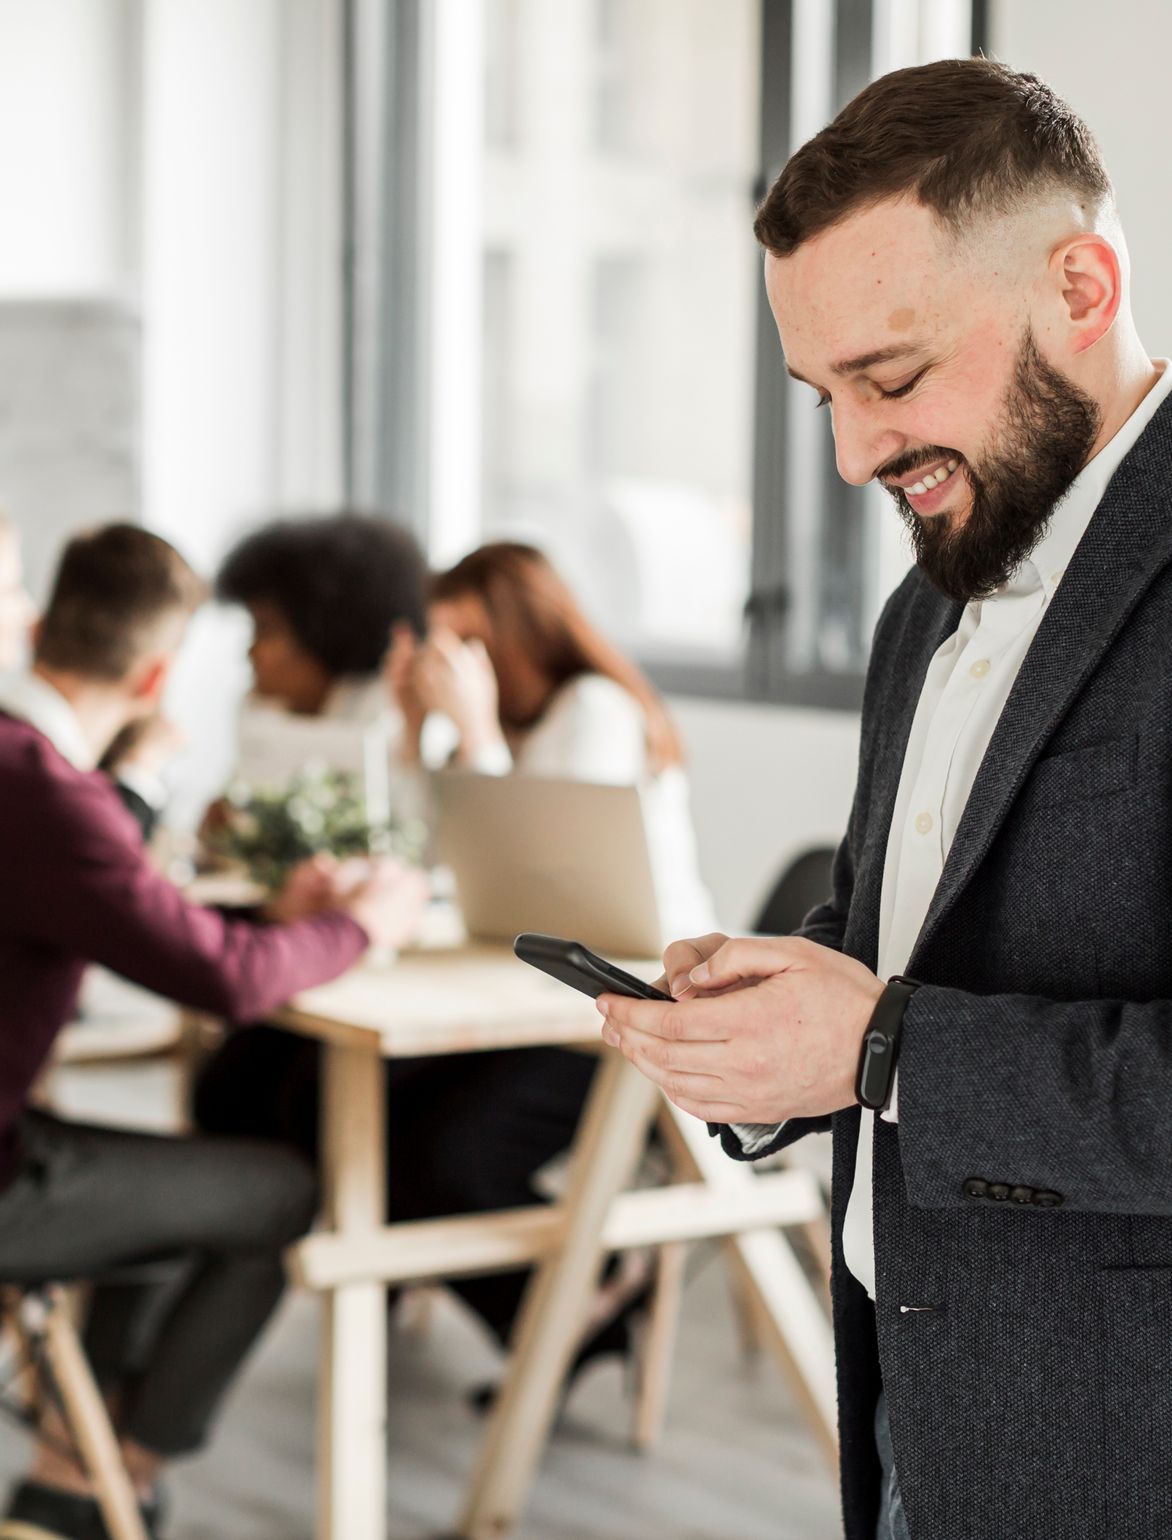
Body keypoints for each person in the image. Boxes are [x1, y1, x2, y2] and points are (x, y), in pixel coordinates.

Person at [595, 57, 1172, 1540]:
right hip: (920, 1410)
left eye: (894, 378)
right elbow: (902, 946)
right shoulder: (927, 607)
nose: (852, 452)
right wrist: (774, 1023)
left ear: (1084, 288)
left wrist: (882, 1048)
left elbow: (904, 1033)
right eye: (821, 394)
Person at [0, 523, 425, 1540]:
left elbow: (127, 918)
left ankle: (78, 1456)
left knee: (172, 1180)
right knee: (281, 1190)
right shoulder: (44, 791)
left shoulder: (34, 779)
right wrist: (360, 924)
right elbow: (227, 981)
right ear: (156, 675)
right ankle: (112, 1471)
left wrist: (281, 923)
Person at [199, 541, 715, 1374]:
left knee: (439, 1156)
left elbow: (543, 872)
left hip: (616, 1009)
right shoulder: (501, 729)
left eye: (465, 642)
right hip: (519, 998)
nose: (451, 665)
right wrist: (413, 734)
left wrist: (471, 733)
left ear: (517, 633)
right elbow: (434, 861)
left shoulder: (593, 712)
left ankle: (577, 1308)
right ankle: (508, 1304)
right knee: (315, 1095)